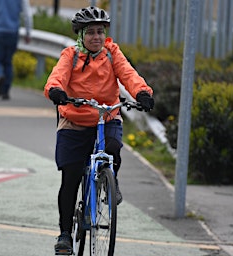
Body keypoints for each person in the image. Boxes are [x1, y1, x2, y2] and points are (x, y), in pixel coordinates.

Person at [43, 6, 155, 254]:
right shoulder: (70, 56)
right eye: (90, 32)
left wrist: (142, 92)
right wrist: (56, 92)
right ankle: (64, 235)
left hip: (107, 116)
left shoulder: (112, 54)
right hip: (75, 118)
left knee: (113, 147)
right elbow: (57, 77)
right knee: (70, 177)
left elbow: (129, 75)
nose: (96, 37)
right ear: (81, 36)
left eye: (100, 32)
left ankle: (109, 181)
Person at [0, 0, 33, 100]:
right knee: (8, 62)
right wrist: (28, 32)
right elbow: (27, 14)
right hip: (12, 32)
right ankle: (5, 91)